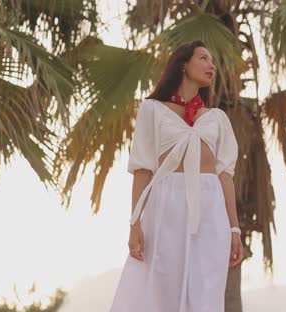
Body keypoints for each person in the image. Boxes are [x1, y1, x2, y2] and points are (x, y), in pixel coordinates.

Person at [109, 40, 244, 312]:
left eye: (213, 61)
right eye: (204, 58)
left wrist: (234, 229)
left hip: (210, 212)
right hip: (165, 208)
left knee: (205, 293)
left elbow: (224, 177)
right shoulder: (153, 109)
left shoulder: (216, 118)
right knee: (161, 290)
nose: (211, 66)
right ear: (184, 64)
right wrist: (135, 223)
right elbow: (143, 169)